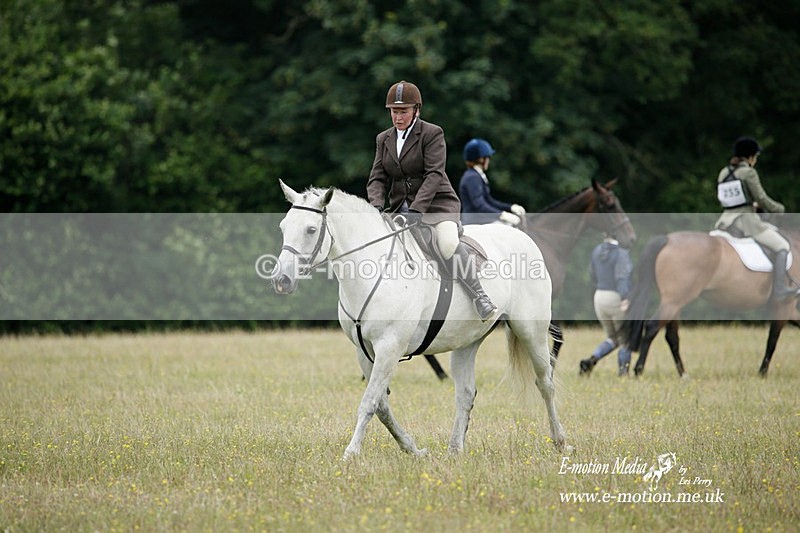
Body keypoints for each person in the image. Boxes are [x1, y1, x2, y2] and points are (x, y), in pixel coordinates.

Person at [366, 81, 498, 321]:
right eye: (394, 111)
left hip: (437, 206)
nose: (398, 117)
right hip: (398, 209)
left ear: (417, 109)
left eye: (403, 111)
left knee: (447, 243)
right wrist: (375, 206)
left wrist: (417, 209)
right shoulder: (383, 139)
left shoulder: (432, 133)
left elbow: (435, 175)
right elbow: (377, 178)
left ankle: (480, 295)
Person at [714, 136, 800, 301]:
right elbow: (762, 198)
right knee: (782, 245)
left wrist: (750, 204)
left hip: (725, 220)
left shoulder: (724, 172)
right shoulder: (749, 172)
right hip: (746, 222)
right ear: (750, 156)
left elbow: (725, 199)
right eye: (756, 157)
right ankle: (780, 288)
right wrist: (778, 209)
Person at [579, 232, 633, 376]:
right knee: (625, 339)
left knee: (613, 338)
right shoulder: (621, 253)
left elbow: (592, 275)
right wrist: (625, 298)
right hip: (615, 297)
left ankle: (591, 360)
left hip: (599, 297)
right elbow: (622, 278)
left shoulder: (597, 250)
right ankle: (623, 373)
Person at [459, 138, 526, 226]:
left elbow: (490, 201)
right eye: (488, 157)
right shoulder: (472, 177)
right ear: (481, 159)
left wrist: (510, 207)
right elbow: (480, 205)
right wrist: (501, 215)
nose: (489, 160)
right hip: (475, 223)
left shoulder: (476, 175)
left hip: (481, 220)